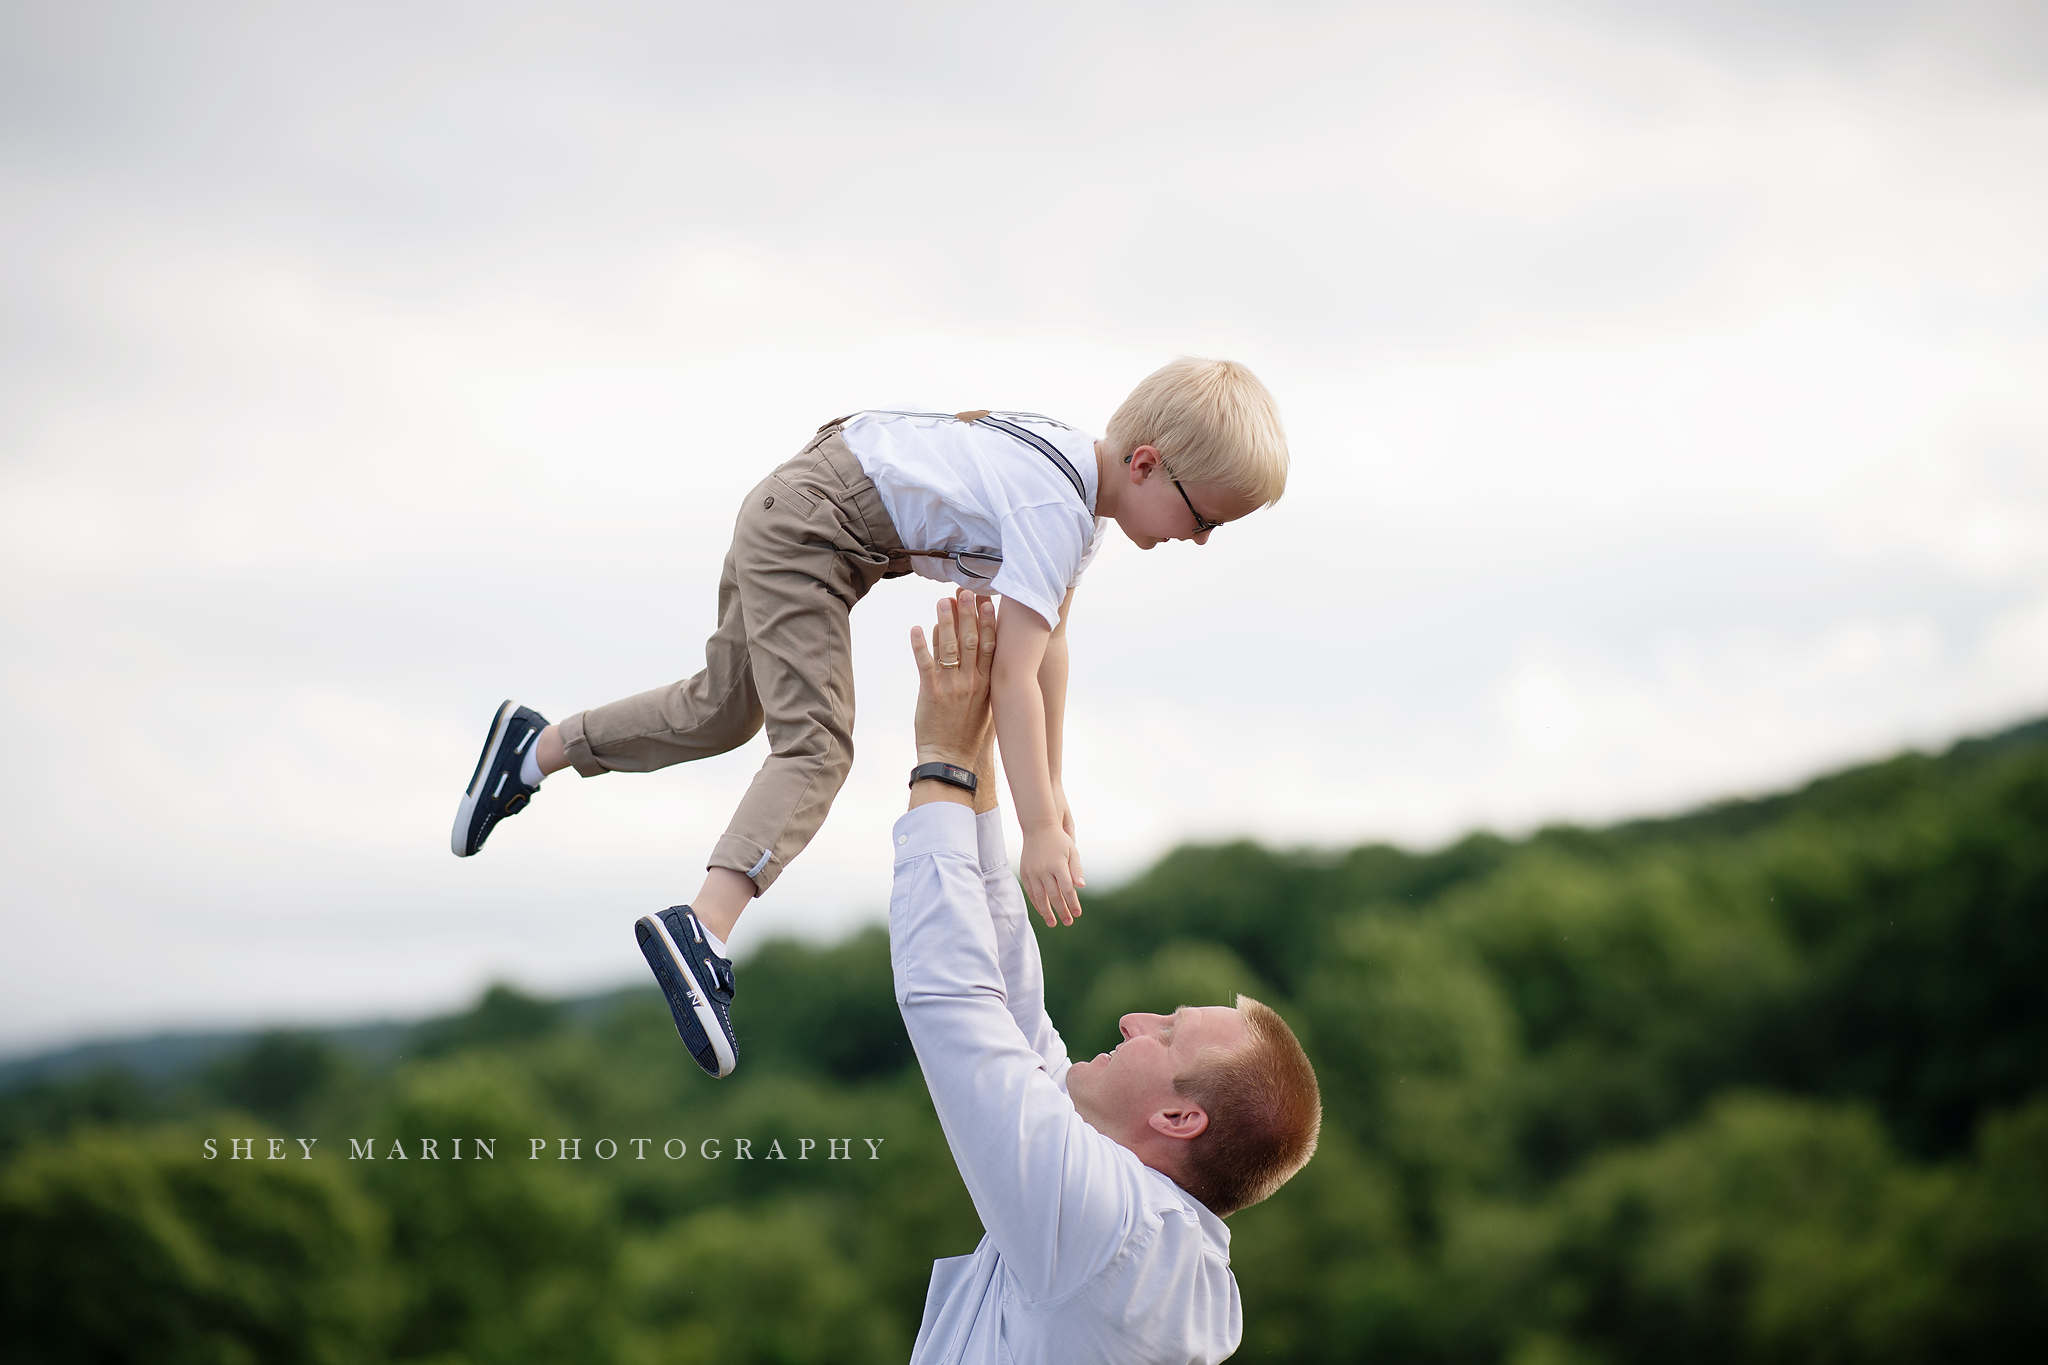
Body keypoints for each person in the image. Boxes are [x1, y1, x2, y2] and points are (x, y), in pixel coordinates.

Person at [448, 359, 1289, 1077]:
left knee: (720, 708)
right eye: (1204, 517)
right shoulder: (1055, 507)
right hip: (814, 532)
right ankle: (701, 928)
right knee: (817, 748)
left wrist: (1056, 790)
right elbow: (1013, 672)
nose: (1203, 539)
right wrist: (1036, 829)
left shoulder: (1074, 489)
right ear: (1146, 463)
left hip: (801, 510)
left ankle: (536, 748)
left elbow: (1052, 643)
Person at [892, 590, 1321, 1364]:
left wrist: (939, 763)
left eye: (1169, 1033)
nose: (1133, 1021)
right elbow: (1013, 1008)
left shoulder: (1114, 1235)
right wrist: (980, 754)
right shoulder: (1138, 1228)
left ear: (1180, 1119)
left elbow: (955, 1004)